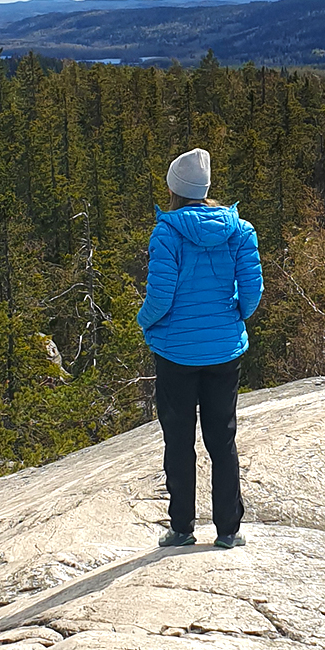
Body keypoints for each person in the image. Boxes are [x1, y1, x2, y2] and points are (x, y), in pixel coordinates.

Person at [137, 147, 263, 550]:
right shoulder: (240, 230)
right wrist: (234, 318)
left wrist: (145, 322)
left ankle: (182, 528)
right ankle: (228, 530)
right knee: (222, 440)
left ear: (174, 189)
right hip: (224, 351)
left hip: (176, 352)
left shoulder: (167, 232)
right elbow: (253, 291)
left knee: (179, 441)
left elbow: (160, 296)